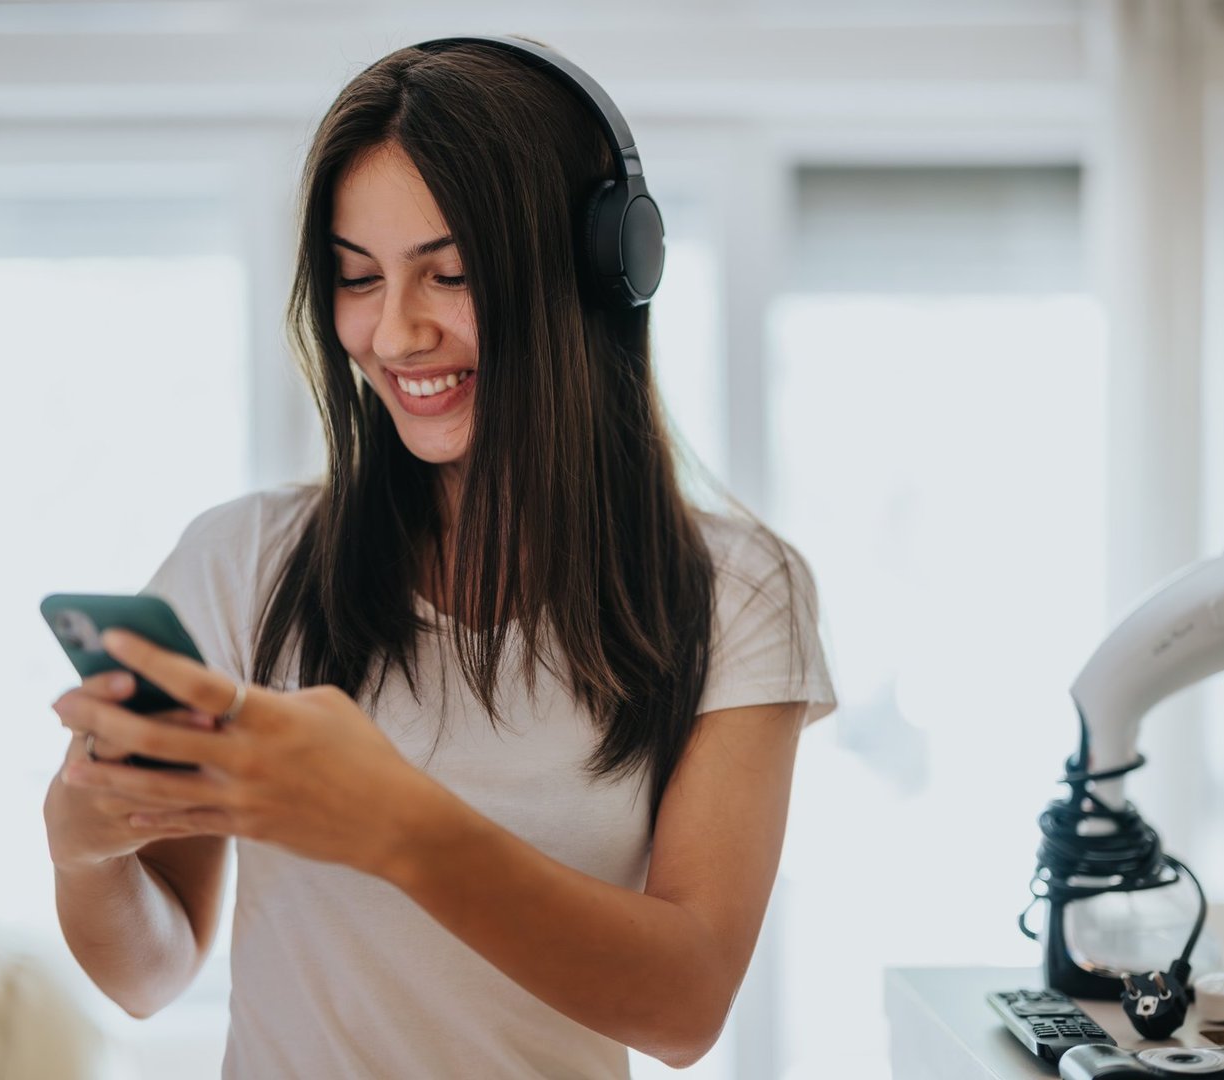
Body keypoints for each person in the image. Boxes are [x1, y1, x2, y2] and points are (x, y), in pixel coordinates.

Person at [42, 36, 836, 1079]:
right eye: (356, 277)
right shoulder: (244, 560)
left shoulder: (736, 591)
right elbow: (151, 973)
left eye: (450, 273)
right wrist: (80, 847)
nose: (395, 332)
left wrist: (390, 819)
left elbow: (685, 1005)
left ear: (598, 271)